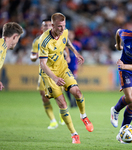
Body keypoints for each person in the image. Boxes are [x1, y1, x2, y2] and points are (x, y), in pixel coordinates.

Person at [39, 12, 93, 144]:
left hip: (63, 69)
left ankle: (83, 116)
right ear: (52, 25)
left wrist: (75, 52)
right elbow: (42, 64)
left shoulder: (65, 31)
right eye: (59, 27)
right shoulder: (44, 41)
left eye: (63, 26)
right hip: (50, 75)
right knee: (62, 104)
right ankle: (74, 134)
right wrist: (55, 78)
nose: (62, 29)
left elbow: (67, 40)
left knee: (78, 92)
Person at [30, 19, 65, 129]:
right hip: (43, 73)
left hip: (57, 71)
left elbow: (65, 50)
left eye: (50, 25)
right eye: (45, 25)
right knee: (44, 97)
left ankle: (62, 114)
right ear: (42, 28)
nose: (47, 27)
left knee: (59, 96)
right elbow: (32, 56)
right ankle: (53, 121)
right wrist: (34, 57)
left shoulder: (60, 38)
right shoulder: (37, 41)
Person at [0, 22, 23, 90]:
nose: (17, 41)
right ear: (15, 36)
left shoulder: (3, 47)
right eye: (18, 38)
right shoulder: (1, 48)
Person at [65, 30, 82, 108]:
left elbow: (79, 56)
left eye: (71, 34)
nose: (70, 35)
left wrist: (80, 66)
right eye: (68, 34)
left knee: (74, 86)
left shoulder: (77, 45)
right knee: (66, 87)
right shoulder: (63, 44)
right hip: (65, 68)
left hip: (74, 68)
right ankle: (71, 101)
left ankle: (75, 101)